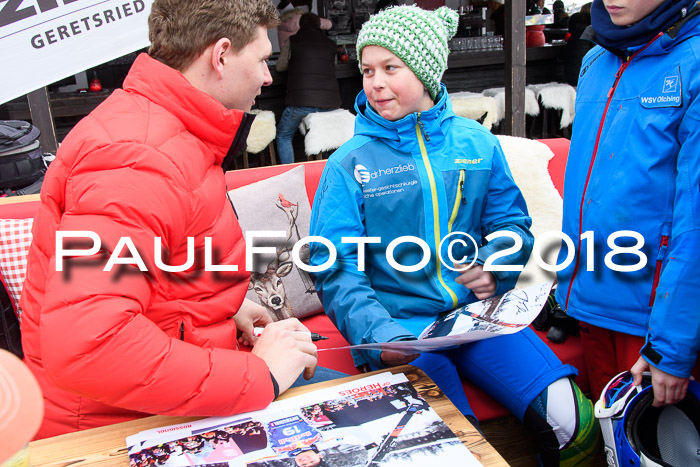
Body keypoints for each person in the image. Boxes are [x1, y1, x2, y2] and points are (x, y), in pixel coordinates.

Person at [309, 5, 600, 465]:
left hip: (480, 317)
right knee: (452, 450)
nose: (375, 82)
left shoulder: (476, 142)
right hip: (401, 331)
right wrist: (380, 334)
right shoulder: (349, 163)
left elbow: (511, 226)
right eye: (367, 70)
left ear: (426, 72)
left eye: (391, 68)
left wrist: (493, 265)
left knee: (570, 422)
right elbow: (334, 267)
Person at [20, 0, 320, 439]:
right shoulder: (138, 158)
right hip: (119, 424)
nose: (267, 76)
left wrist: (220, 302)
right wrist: (261, 376)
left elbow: (152, 257)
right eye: (262, 59)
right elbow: (90, 346)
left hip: (157, 399)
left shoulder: (164, 133)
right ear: (220, 56)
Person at [556, 0, 700, 406]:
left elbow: (696, 222)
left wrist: (670, 347)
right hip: (592, 301)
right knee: (611, 448)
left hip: (654, 318)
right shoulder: (596, 61)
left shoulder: (693, 64)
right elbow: (591, 188)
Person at [276, 12, 341, 164]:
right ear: (319, 25)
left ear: (300, 25)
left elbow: (280, 66)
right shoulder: (330, 44)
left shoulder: (293, 41)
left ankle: (290, 171)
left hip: (301, 104)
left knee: (283, 136)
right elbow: (335, 65)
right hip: (331, 105)